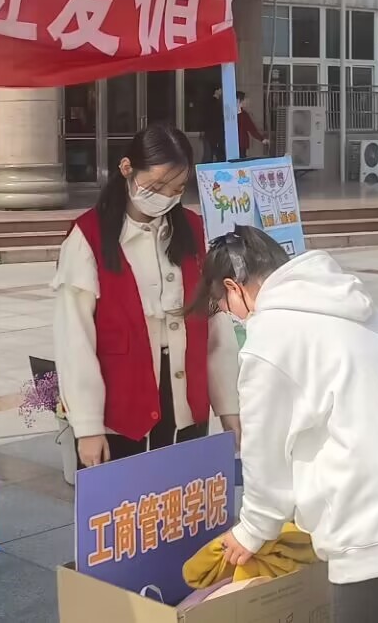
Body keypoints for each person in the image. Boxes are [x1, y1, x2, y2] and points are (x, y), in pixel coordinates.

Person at [192, 227, 378, 623]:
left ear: (232, 287)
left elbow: (265, 452)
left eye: (225, 307)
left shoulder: (270, 336)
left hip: (373, 512)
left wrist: (252, 529)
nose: (233, 316)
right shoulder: (353, 305)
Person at [52, 123, 241, 467]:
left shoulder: (193, 230)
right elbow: (74, 339)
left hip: (184, 399)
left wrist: (229, 405)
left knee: (181, 493)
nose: (166, 197)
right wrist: (88, 426)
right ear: (127, 168)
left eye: (177, 188)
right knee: (123, 497)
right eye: (156, 186)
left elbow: (216, 328)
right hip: (121, 406)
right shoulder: (88, 237)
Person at [236, 92, 268, 157]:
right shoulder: (229, 114)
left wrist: (262, 139)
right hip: (232, 144)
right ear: (238, 100)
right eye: (244, 100)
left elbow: (252, 129)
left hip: (242, 144)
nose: (246, 102)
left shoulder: (244, 115)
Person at [200, 88, 225, 162]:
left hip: (210, 132)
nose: (221, 91)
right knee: (211, 154)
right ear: (216, 91)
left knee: (209, 154)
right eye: (220, 89)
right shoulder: (216, 103)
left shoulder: (211, 103)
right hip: (213, 132)